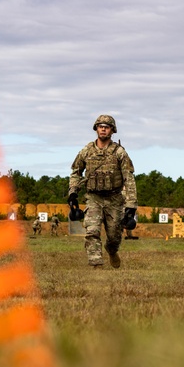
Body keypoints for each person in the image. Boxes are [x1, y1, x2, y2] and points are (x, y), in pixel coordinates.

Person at [69, 114, 137, 268]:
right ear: (96, 129)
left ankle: (112, 251)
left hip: (114, 199)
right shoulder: (86, 151)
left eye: (107, 127)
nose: (103, 129)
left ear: (112, 130)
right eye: (101, 126)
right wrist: (73, 192)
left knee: (114, 236)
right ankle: (96, 264)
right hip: (94, 198)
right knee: (92, 231)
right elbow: (76, 172)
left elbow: (129, 178)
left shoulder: (119, 153)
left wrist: (131, 204)